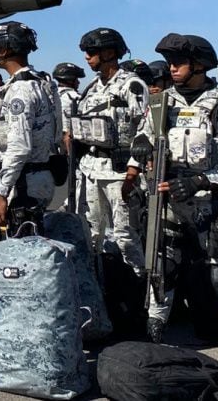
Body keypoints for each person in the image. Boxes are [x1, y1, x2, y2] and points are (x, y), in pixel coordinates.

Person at [131, 33, 218, 395]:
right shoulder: (160, 103)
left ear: (199, 65)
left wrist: (202, 180)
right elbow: (144, 139)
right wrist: (139, 148)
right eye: (170, 62)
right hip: (169, 201)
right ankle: (151, 351)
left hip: (213, 202)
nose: (172, 68)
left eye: (179, 62)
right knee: (162, 274)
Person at [72, 27, 148, 273]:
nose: (86, 57)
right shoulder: (91, 88)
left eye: (91, 51)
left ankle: (139, 284)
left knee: (125, 235)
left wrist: (133, 172)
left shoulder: (132, 85)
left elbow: (145, 130)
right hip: (92, 170)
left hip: (119, 173)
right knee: (92, 233)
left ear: (109, 53)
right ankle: (100, 284)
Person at [0, 21, 58, 231]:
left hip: (25, 181)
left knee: (21, 253)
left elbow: (19, 146)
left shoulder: (21, 90)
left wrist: (1, 194)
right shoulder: (42, 82)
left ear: (5, 50)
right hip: (36, 176)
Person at [52, 62, 85, 149]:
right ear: (70, 80)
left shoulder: (51, 95)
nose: (78, 82)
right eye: (76, 79)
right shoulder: (76, 97)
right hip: (70, 143)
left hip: (53, 145)